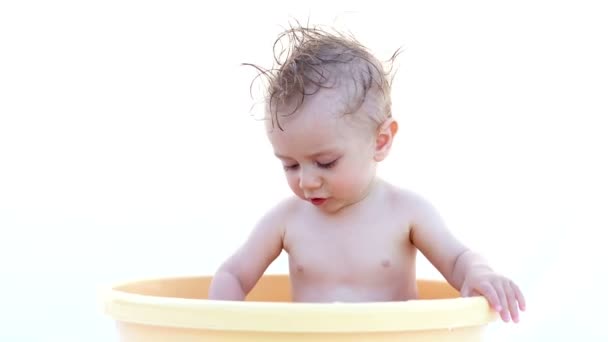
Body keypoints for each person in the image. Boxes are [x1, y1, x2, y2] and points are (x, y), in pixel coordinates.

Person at [208, 24, 525, 323]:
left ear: (381, 141)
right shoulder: (286, 221)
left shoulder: (406, 212)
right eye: (290, 165)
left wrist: (480, 274)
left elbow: (459, 260)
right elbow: (232, 275)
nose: (305, 181)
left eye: (326, 162)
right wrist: (219, 322)